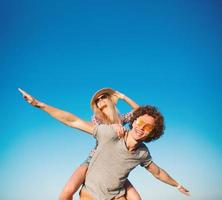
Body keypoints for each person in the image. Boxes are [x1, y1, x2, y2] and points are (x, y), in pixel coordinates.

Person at [18, 88, 142, 200]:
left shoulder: (122, 119)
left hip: (114, 167)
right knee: (67, 192)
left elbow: (141, 113)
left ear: (110, 99)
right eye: (97, 100)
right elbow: (95, 129)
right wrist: (37, 104)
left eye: (103, 97)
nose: (100, 101)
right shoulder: (96, 118)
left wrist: (123, 97)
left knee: (136, 198)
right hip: (94, 160)